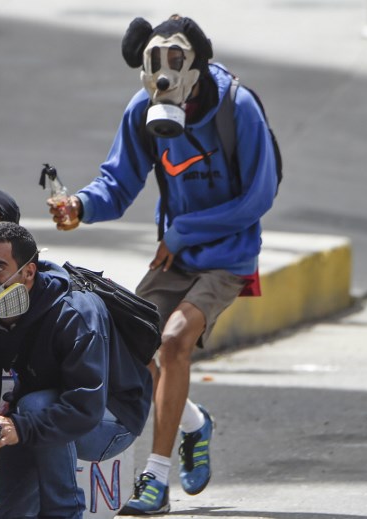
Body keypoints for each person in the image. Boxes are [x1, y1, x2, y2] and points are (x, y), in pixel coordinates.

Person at [48, 15, 278, 515]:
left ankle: (155, 480)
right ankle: (194, 422)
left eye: (175, 62)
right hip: (174, 255)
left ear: (196, 62)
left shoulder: (237, 107)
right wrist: (79, 207)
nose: (164, 76)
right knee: (134, 340)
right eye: (155, 63)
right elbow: (118, 182)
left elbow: (258, 197)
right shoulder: (143, 111)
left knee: (174, 339)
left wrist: (181, 233)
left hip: (227, 254)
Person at [0, 222, 152, 518]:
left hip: (109, 419)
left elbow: (85, 407)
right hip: (42, 415)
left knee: (35, 405)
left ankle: (65, 511)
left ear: (29, 272)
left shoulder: (76, 314)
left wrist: (20, 428)